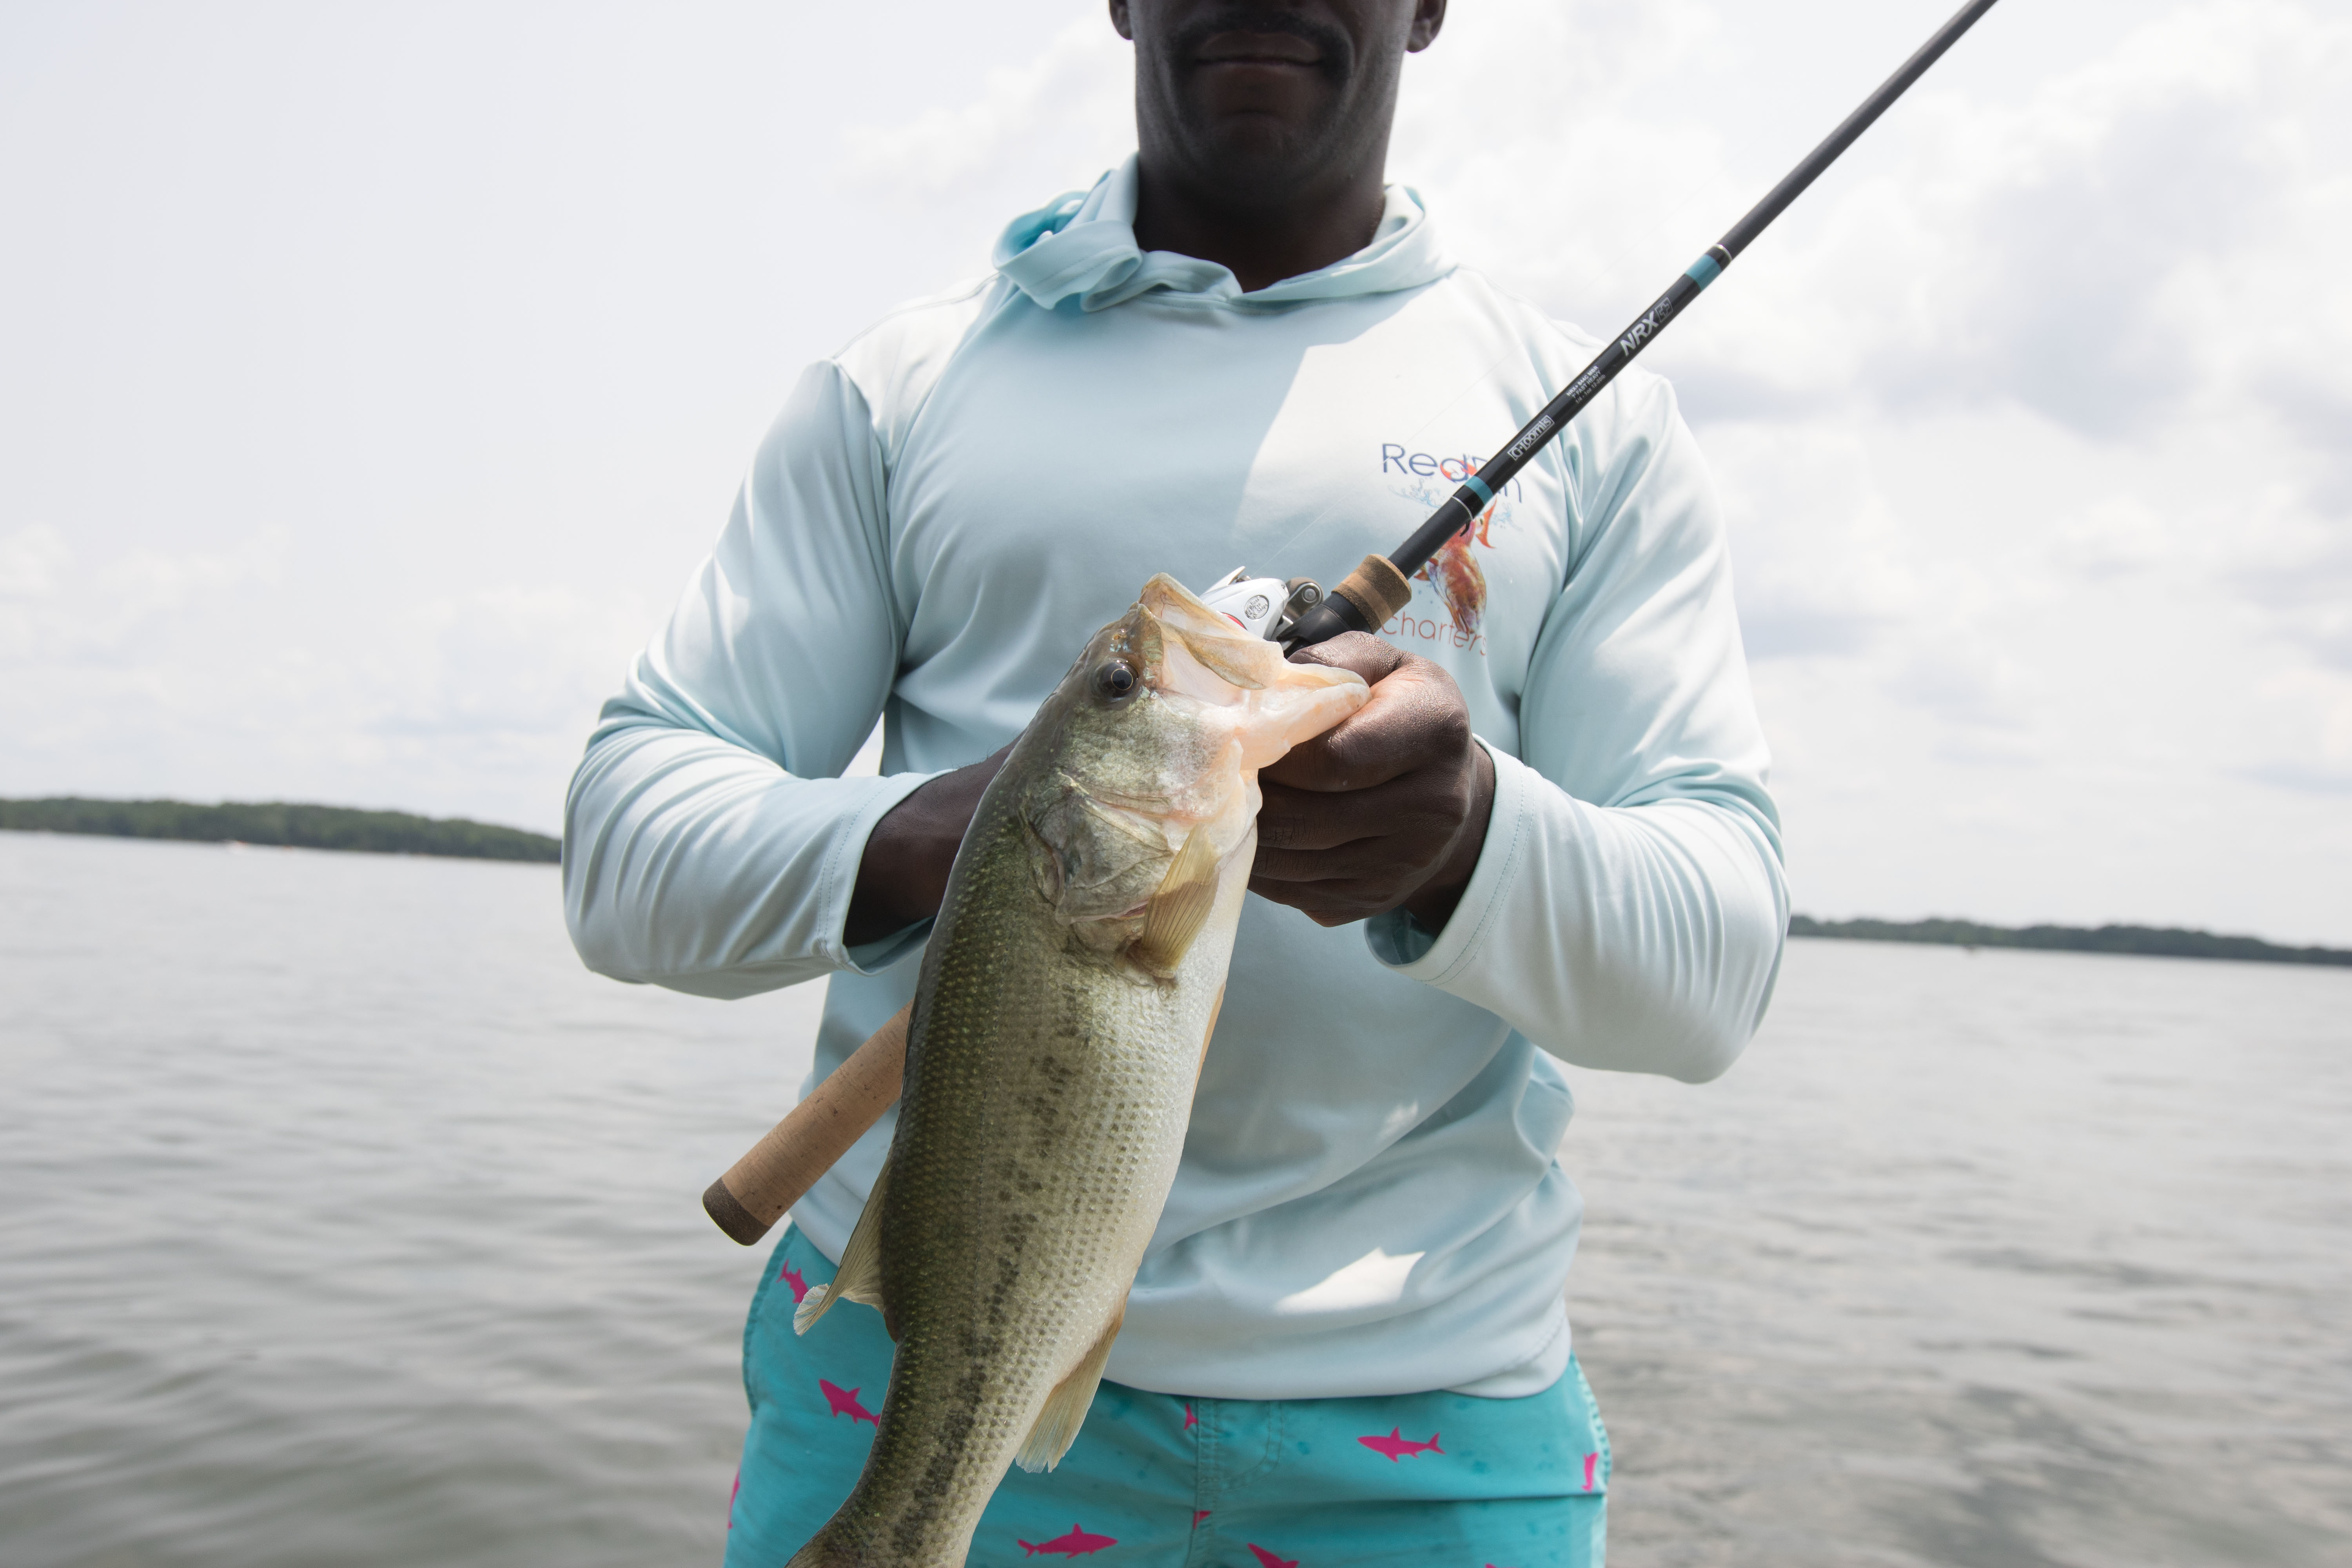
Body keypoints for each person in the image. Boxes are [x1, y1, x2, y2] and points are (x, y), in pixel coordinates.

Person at [564, 1, 1787, 1563]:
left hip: (1430, 1414)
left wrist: (1467, 838)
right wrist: (953, 837)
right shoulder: (901, 384)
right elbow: (624, 853)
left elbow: (1715, 979)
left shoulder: (1600, 426)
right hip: (900, 1360)